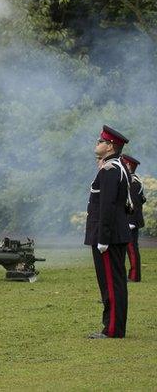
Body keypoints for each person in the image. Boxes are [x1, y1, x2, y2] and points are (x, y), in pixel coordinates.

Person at [86, 125, 133, 339]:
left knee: (111, 285)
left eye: (100, 141)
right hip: (115, 234)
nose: (97, 144)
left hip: (108, 236)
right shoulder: (116, 166)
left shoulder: (110, 170)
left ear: (110, 146)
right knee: (115, 282)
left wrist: (102, 238)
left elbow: (107, 206)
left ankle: (113, 329)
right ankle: (114, 327)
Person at [121, 155, 146, 282]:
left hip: (131, 222)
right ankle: (133, 275)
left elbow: (135, 203)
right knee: (130, 248)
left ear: (129, 166)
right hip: (130, 221)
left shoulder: (133, 182)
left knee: (131, 249)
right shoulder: (132, 180)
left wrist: (130, 222)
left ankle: (134, 276)